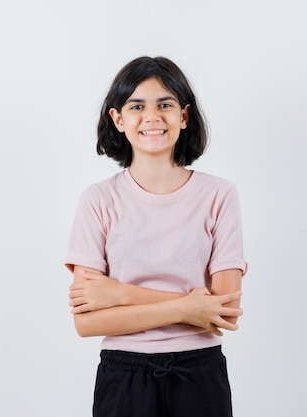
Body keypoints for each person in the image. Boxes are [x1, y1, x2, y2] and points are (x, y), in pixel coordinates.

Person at [64, 56, 247, 417]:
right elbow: (87, 322)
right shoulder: (98, 200)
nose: (152, 116)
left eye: (165, 104)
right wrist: (187, 307)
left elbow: (224, 312)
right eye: (137, 106)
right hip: (123, 375)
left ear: (184, 116)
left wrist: (119, 294)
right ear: (118, 119)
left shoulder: (219, 195)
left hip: (200, 374)